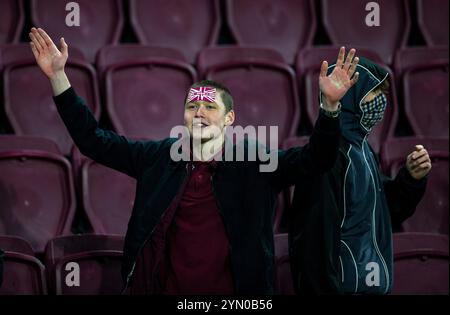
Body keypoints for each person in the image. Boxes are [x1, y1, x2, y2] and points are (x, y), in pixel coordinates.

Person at [29, 27, 359, 294]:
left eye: (209, 107)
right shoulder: (157, 157)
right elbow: (94, 141)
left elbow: (316, 160)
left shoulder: (256, 162)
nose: (198, 112)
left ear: (230, 118)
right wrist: (59, 77)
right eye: (191, 106)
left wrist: (330, 108)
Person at [288, 57, 431, 295]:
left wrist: (411, 179)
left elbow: (386, 213)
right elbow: (314, 245)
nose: (382, 102)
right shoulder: (327, 158)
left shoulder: (362, 150)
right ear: (351, 98)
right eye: (374, 94)